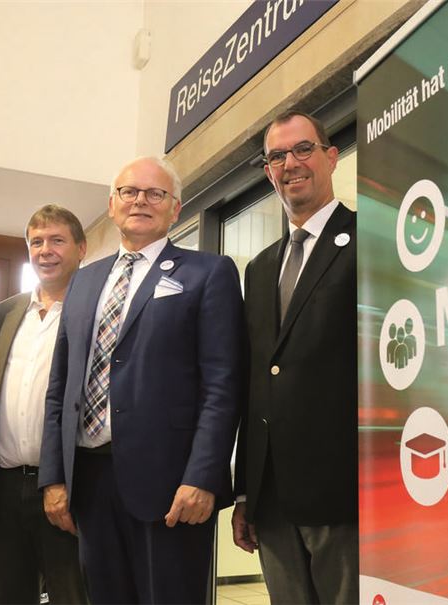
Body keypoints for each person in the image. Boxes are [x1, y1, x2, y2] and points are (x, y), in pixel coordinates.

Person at [38, 157, 245, 604]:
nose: (141, 202)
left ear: (175, 209)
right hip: (90, 481)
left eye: (155, 194)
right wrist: (54, 477)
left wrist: (203, 476)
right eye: (129, 192)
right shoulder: (84, 280)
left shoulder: (209, 273)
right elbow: (61, 386)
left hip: (171, 485)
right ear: (112, 205)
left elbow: (223, 385)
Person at [233, 111, 359, 604]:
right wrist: (246, 492)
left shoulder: (369, 241)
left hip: (341, 493)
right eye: (278, 156)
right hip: (271, 502)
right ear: (268, 172)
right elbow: (257, 383)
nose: (291, 163)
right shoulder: (260, 269)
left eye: (303, 149)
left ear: (331, 156)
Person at [0, 205, 88, 603]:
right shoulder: (1, 315)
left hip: (70, 487)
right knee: (7, 595)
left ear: (81, 249)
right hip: (2, 485)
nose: (45, 250)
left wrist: (65, 482)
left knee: (74, 595)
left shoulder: (95, 311)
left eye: (57, 240)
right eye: (36, 242)